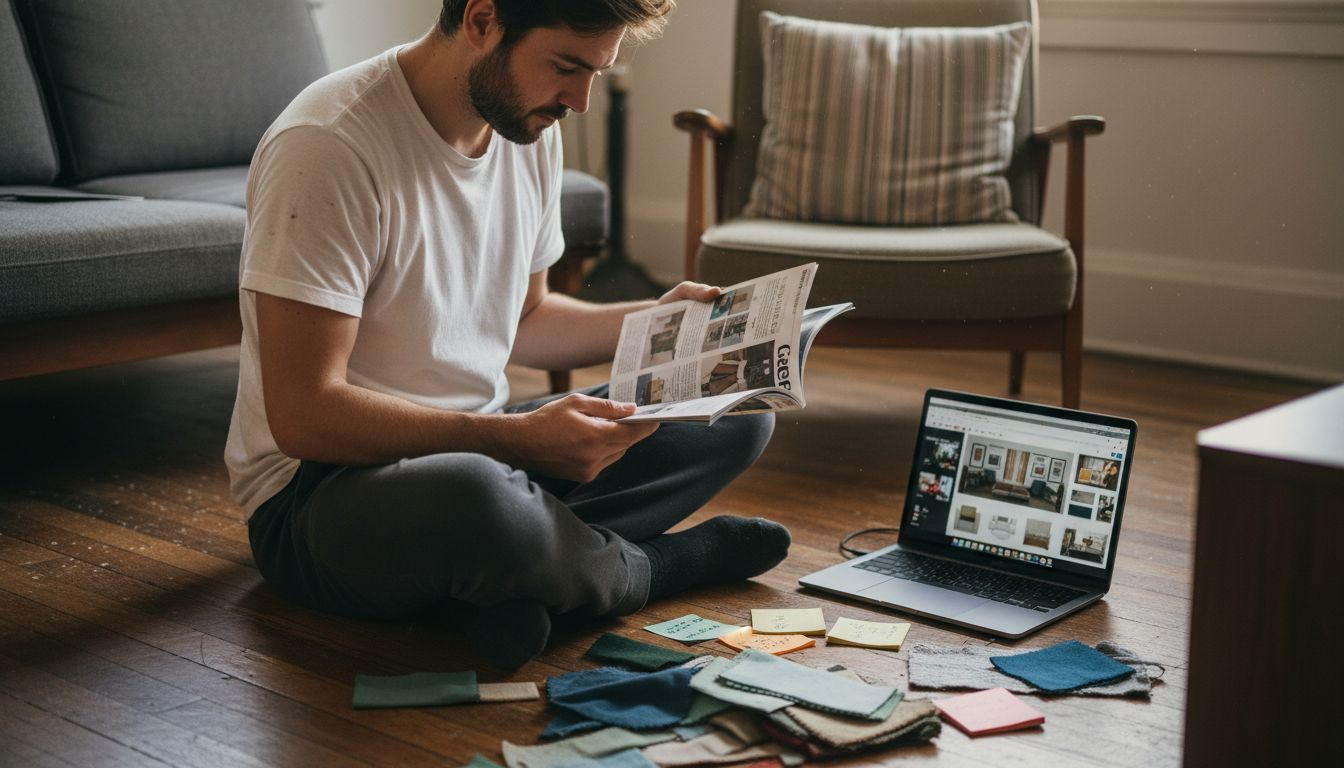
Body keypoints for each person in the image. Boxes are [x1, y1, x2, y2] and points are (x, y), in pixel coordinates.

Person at [224, 0, 790, 669]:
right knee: (479, 502)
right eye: (566, 67)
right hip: (321, 496)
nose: (579, 101)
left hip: (482, 446)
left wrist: (661, 324)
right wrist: (517, 441)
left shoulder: (525, 128)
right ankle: (654, 568)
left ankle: (508, 582)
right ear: (482, 19)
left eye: (595, 74)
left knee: (732, 406)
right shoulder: (329, 145)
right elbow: (304, 415)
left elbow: (524, 321)